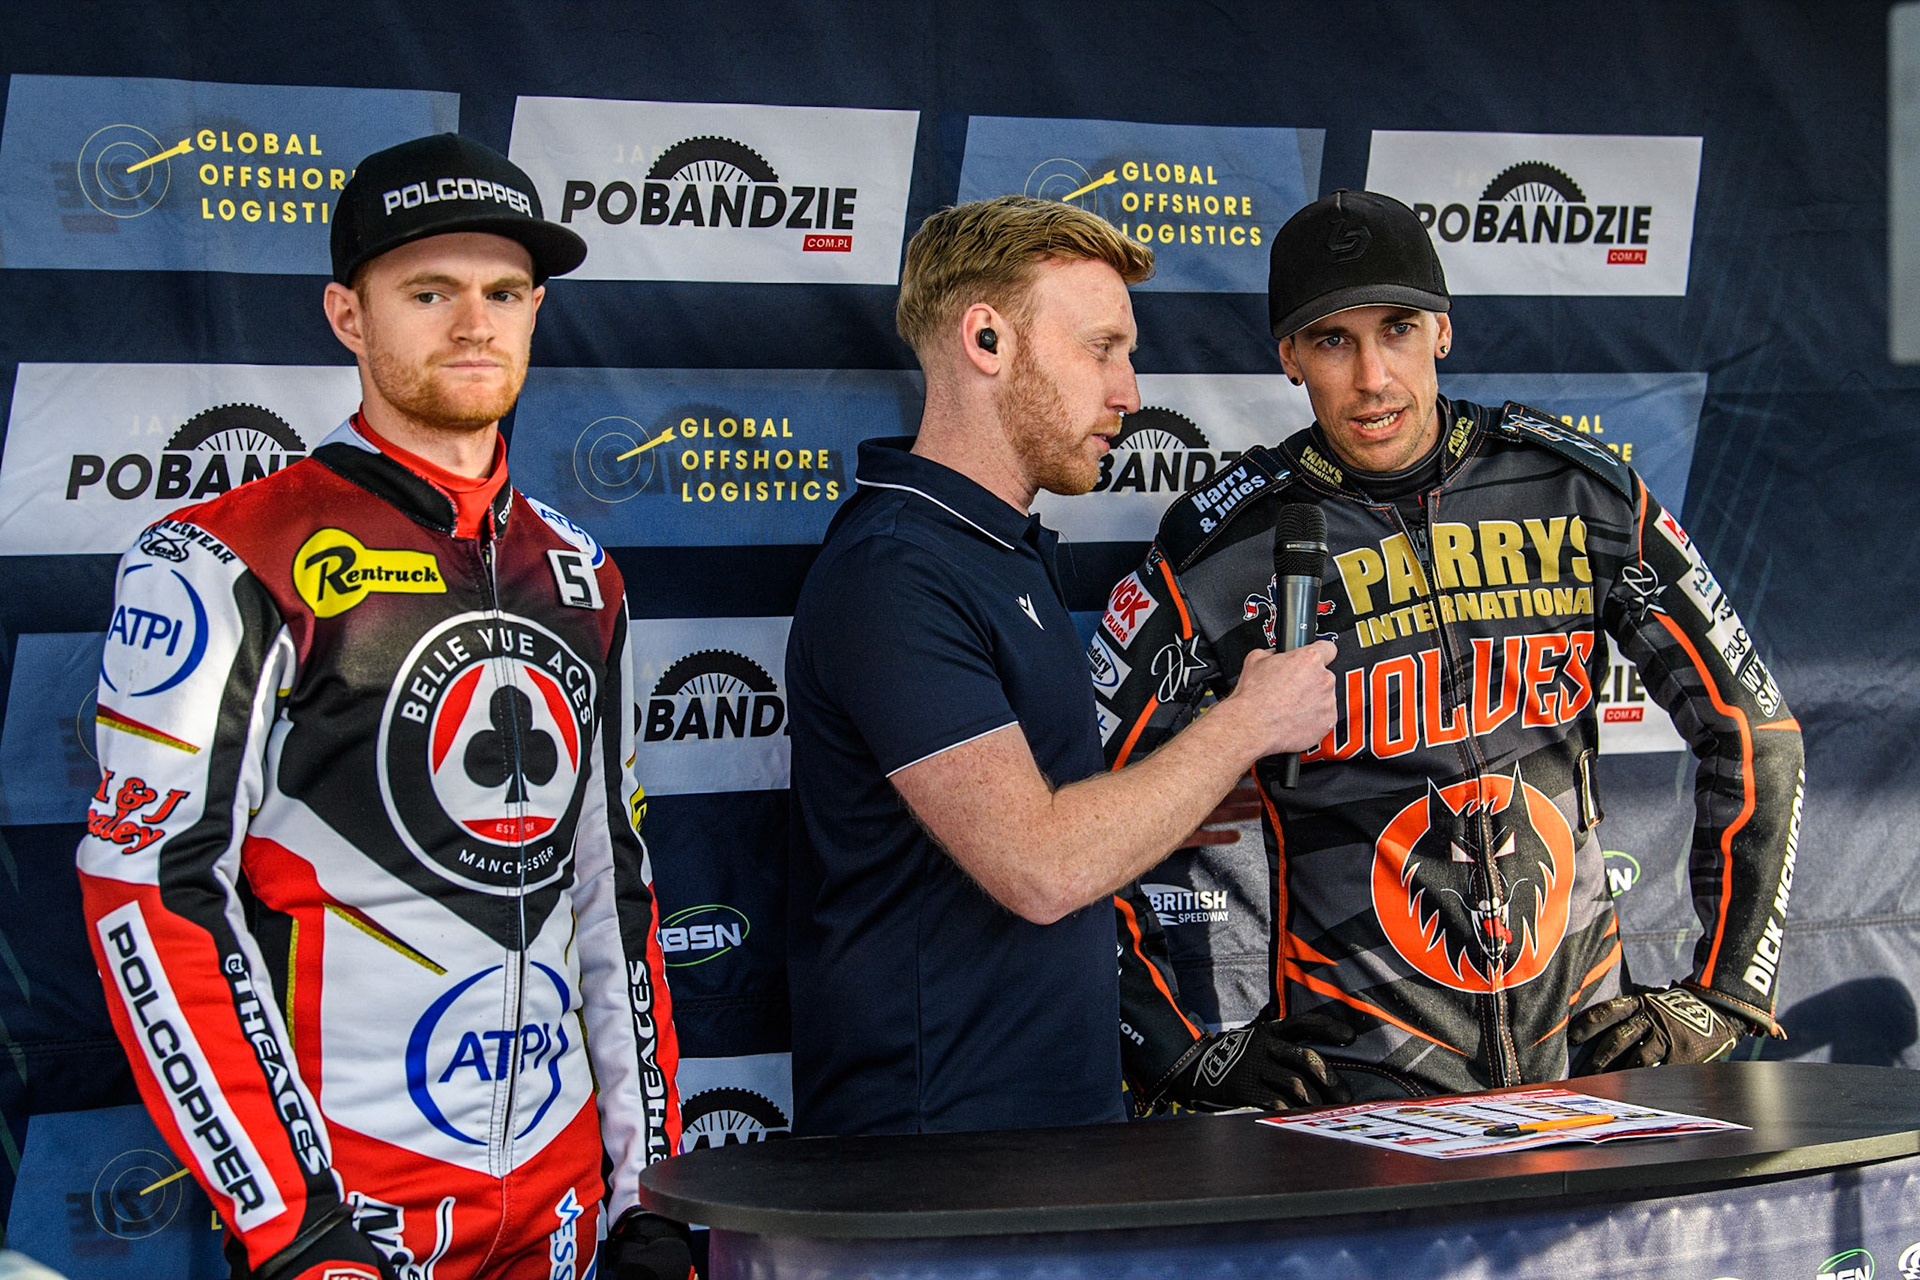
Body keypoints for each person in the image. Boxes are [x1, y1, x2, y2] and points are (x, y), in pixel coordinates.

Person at [76, 134, 689, 1280]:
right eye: (429, 291)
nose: (475, 323)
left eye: (505, 291)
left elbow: (615, 886)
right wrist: (293, 1222)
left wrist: (646, 1189)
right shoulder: (223, 559)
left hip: (558, 1214)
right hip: (353, 1218)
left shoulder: (581, 570)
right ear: (347, 317)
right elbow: (150, 899)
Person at [1101, 189, 1805, 1107]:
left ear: (1442, 330)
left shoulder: (1577, 489)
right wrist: (1171, 1048)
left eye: (1396, 329)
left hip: (1581, 1065)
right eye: (1332, 342)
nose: (1373, 379)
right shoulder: (1223, 543)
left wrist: (1728, 994)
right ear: (1288, 359)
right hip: (1354, 1089)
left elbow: (1755, 734)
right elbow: (1080, 804)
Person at [784, 196, 1342, 1136]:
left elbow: (1046, 820)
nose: (1129, 392)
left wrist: (1182, 787)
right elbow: (1040, 865)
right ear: (988, 339)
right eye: (1101, 349)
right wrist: (1245, 722)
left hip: (1044, 1141)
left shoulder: (996, 548)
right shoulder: (896, 572)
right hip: (932, 1169)